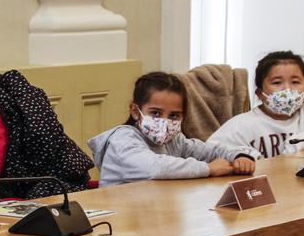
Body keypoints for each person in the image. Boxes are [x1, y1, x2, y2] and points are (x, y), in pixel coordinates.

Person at [89, 72, 259, 187]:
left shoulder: (174, 140)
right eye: (156, 113)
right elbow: (155, 168)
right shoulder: (122, 140)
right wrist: (209, 169)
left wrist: (239, 156)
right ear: (135, 111)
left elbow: (207, 151)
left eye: (174, 116)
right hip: (120, 220)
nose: (164, 122)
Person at [209, 51, 304, 157]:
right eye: (277, 82)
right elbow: (210, 149)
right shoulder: (244, 124)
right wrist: (247, 155)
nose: (287, 89)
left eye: (295, 82)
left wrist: (299, 142)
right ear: (259, 93)